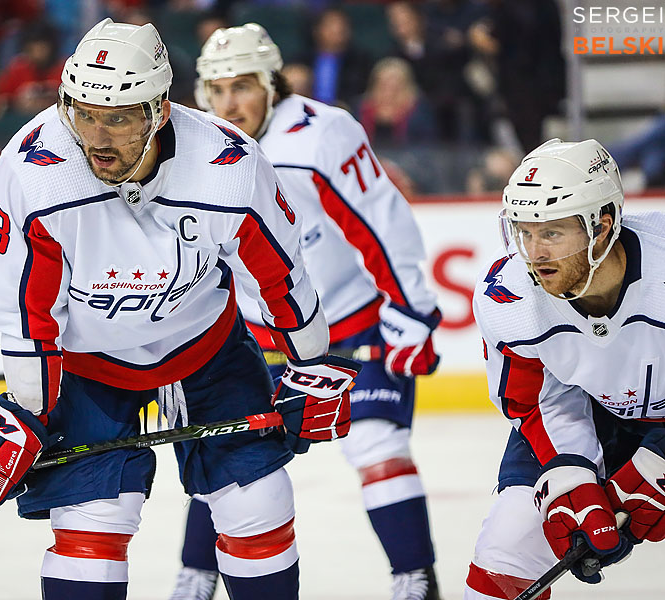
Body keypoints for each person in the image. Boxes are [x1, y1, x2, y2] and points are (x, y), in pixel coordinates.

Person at [0, 18, 361, 600]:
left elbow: (279, 277)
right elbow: (27, 313)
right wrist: (25, 414)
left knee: (258, 504)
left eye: (119, 117)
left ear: (161, 111)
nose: (97, 137)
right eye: (83, 113)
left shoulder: (227, 165)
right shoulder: (34, 172)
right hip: (89, 363)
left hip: (205, 347)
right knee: (90, 529)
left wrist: (313, 364)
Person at [170, 23, 444, 600]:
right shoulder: (190, 147)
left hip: (348, 325)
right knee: (227, 460)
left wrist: (412, 310)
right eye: (215, 90)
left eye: (241, 86)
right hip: (252, 338)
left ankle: (415, 580)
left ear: (273, 83)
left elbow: (379, 222)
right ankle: (194, 580)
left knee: (376, 445)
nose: (228, 104)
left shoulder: (321, 134)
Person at [464, 138, 665, 599]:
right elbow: (531, 400)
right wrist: (571, 472)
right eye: (525, 232)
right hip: (590, 413)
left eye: (552, 233)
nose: (534, 253)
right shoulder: (508, 296)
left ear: (603, 226)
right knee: (505, 550)